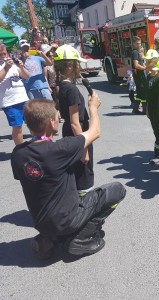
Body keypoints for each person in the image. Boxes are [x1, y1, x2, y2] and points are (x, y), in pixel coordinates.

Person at [11, 98, 126, 259]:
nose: (59, 120)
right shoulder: (60, 149)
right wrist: (93, 108)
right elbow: (95, 132)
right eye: (58, 117)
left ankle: (50, 238)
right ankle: (80, 238)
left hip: (41, 223)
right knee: (117, 190)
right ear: (51, 123)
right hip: (67, 220)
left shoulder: (18, 154)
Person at [54, 44, 94, 194]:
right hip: (78, 135)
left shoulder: (62, 86)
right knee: (84, 174)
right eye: (77, 63)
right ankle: (86, 207)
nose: (80, 67)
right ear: (70, 65)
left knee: (75, 173)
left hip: (70, 134)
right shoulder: (71, 89)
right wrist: (83, 149)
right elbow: (75, 122)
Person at [0, 44, 30, 145]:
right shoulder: (5, 66)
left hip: (23, 98)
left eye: (5, 53)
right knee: (18, 127)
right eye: (1, 54)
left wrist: (21, 67)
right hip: (10, 102)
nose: (4, 56)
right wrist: (6, 68)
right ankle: (20, 150)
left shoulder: (13, 64)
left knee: (33, 123)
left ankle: (37, 145)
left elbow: (26, 76)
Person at [131, 36, 146, 114]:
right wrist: (144, 68)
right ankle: (144, 110)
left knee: (140, 93)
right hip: (139, 75)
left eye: (140, 43)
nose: (139, 45)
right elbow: (136, 65)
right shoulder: (135, 52)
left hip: (138, 75)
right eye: (137, 43)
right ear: (133, 43)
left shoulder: (137, 52)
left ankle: (135, 109)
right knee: (142, 91)